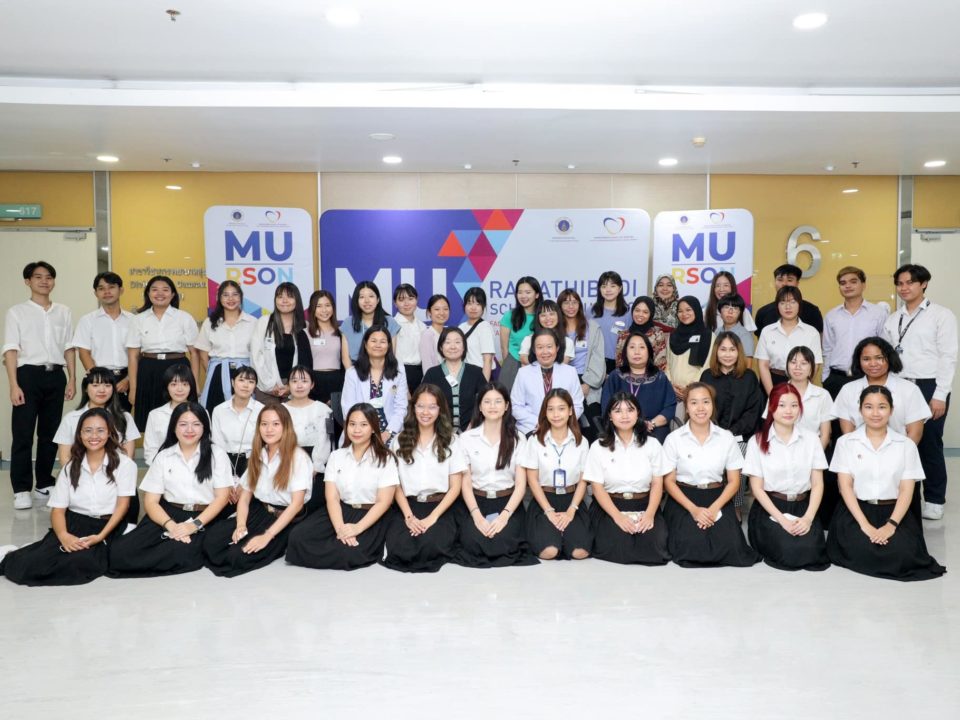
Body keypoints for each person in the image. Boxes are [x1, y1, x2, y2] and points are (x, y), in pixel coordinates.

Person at [0, 409, 137, 586]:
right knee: (32, 566)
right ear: (79, 434)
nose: (94, 436)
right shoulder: (70, 467)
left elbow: (123, 506)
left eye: (100, 430)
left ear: (110, 433)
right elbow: (58, 511)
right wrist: (64, 535)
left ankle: (32, 550)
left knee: (80, 563)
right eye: (88, 430)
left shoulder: (125, 465)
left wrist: (100, 536)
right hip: (75, 522)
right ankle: (12, 555)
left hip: (108, 526)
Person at [827, 385, 946, 581]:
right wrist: (865, 525)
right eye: (868, 407)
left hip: (894, 512)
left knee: (903, 554)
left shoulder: (906, 445)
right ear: (860, 410)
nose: (875, 413)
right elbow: (845, 487)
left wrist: (891, 525)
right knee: (862, 549)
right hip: (856, 511)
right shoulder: (846, 442)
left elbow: (907, 490)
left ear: (891, 410)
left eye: (882, 407)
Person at [108, 402, 232, 578]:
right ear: (174, 427)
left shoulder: (217, 454)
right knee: (119, 552)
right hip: (168, 514)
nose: (189, 430)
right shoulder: (164, 456)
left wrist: (193, 525)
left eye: (196, 424)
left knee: (180, 552)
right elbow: (151, 501)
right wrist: (172, 526)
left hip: (204, 516)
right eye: (183, 424)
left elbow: (222, 498)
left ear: (205, 427)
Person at [883, 264, 958, 521]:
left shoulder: (941, 315)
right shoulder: (893, 319)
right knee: (898, 440)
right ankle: (900, 494)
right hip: (898, 385)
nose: (904, 288)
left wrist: (940, 394)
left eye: (910, 282)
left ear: (923, 284)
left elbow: (948, 356)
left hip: (929, 386)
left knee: (929, 443)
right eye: (900, 283)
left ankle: (935, 499)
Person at [285, 403, 399, 570]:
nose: (357, 430)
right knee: (297, 537)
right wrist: (340, 529)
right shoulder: (336, 456)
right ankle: (337, 541)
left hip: (371, 513)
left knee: (348, 553)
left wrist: (357, 528)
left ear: (374, 429)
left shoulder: (385, 458)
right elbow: (332, 498)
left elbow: (384, 502)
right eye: (352, 424)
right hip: (341, 509)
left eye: (364, 425)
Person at [202, 405, 312, 577]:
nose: (269, 429)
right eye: (264, 424)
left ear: (286, 427)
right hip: (260, 511)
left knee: (238, 556)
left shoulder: (298, 457)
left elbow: (296, 504)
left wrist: (267, 536)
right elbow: (245, 498)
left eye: (275, 424)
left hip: (285, 518)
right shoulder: (259, 453)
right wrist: (240, 525)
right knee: (211, 540)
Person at [661, 383, 761, 568]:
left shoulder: (726, 437)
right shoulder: (674, 439)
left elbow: (734, 481)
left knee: (731, 546)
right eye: (694, 403)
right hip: (684, 498)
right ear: (686, 407)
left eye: (706, 402)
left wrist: (714, 508)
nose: (700, 408)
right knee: (690, 544)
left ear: (713, 405)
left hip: (717, 497)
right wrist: (694, 510)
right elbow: (669, 482)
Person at [3, 261, 75, 509]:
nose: (44, 281)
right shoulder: (16, 312)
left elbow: (68, 347)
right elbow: (10, 350)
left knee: (50, 434)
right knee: (23, 434)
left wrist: (72, 378)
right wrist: (14, 385)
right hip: (27, 376)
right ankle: (21, 489)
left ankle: (44, 483)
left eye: (49, 277)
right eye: (38, 277)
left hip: (56, 376)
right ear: (28, 281)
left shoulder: (63, 311)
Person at [744, 384, 830, 571]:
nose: (788, 411)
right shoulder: (756, 441)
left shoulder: (811, 440)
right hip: (771, 508)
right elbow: (757, 489)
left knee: (811, 550)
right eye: (781, 405)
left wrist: (808, 518)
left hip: (803, 507)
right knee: (788, 550)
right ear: (771, 407)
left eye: (794, 405)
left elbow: (817, 484)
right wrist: (782, 520)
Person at [382, 385, 465, 572]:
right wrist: (409, 516)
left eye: (432, 407)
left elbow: (455, 487)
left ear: (440, 410)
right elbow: (395, 485)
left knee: (430, 545)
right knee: (401, 547)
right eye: (420, 406)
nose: (425, 412)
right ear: (413, 408)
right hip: (408, 506)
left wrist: (432, 518)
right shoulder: (399, 440)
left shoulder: (452, 441)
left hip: (440, 506)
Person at [453, 382, 537, 568]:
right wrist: (476, 516)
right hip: (475, 502)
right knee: (473, 542)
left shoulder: (518, 438)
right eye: (487, 401)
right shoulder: (466, 439)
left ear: (506, 406)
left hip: (507, 502)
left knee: (504, 542)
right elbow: (465, 483)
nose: (492, 406)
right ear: (480, 407)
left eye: (498, 401)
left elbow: (520, 485)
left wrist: (504, 516)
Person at [583, 392, 670, 565]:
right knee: (619, 544)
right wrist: (618, 517)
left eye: (630, 410)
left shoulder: (652, 444)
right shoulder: (598, 446)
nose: (624, 416)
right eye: (618, 411)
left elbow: (657, 483)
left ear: (638, 413)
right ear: (610, 415)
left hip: (644, 504)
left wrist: (650, 514)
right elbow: (597, 488)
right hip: (610, 506)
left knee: (654, 545)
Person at [521, 389, 592, 560]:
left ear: (570, 411)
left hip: (572, 500)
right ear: (545, 412)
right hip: (544, 500)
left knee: (579, 552)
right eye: (550, 409)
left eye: (561, 409)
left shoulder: (581, 442)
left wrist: (572, 510)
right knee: (549, 552)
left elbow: (583, 480)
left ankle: (566, 534)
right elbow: (532, 480)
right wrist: (548, 510)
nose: (556, 414)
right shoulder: (535, 440)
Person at [126, 274, 197, 431]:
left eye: (165, 290)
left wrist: (195, 384)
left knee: (181, 418)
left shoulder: (184, 318)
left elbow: (194, 353)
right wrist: (134, 388)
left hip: (178, 369)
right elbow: (133, 356)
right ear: (148, 294)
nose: (160, 293)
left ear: (172, 294)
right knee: (150, 422)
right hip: (148, 370)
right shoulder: (138, 320)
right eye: (154, 290)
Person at [831, 337, 930, 445]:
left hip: (899, 452)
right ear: (859, 361)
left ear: (889, 358)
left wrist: (900, 454)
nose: (873, 364)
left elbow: (915, 433)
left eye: (879, 358)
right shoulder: (848, 390)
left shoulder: (910, 389)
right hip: (859, 452)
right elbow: (848, 434)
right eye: (866, 359)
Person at [822, 266, 889, 399]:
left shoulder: (878, 314)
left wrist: (882, 378)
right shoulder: (831, 316)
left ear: (863, 285)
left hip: (867, 377)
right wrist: (826, 378)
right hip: (836, 379)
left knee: (868, 412)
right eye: (843, 283)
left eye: (853, 281)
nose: (847, 286)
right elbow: (827, 349)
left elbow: (885, 348)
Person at [70, 271, 134, 411]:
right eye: (101, 288)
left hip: (125, 379)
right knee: (96, 419)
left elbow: (138, 354)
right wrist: (99, 381)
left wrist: (129, 379)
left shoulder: (133, 320)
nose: (107, 292)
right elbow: (84, 353)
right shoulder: (87, 320)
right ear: (96, 293)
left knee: (121, 420)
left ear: (121, 290)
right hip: (97, 378)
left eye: (111, 287)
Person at [55, 367, 139, 468]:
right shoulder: (70, 418)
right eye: (95, 385)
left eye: (107, 385)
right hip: (79, 474)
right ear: (86, 388)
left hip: (116, 472)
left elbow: (129, 455)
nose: (102, 390)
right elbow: (65, 457)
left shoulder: (125, 417)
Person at [601, 330, 675, 443]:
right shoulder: (615, 377)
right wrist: (626, 424)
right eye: (632, 347)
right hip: (621, 426)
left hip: (653, 429)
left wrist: (651, 423)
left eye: (641, 347)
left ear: (649, 352)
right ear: (625, 352)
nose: (637, 352)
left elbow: (670, 407)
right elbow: (606, 407)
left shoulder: (660, 377)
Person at [194, 280, 256, 413]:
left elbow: (257, 352)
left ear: (241, 297)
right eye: (226, 295)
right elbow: (203, 354)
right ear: (219, 298)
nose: (230, 299)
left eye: (235, 294)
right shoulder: (209, 322)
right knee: (216, 413)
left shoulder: (253, 322)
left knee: (246, 413)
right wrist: (216, 372)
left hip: (245, 374)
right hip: (217, 374)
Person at [341, 326, 408, 445]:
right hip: (359, 431)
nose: (378, 345)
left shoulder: (399, 372)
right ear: (365, 344)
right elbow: (348, 407)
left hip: (390, 430)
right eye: (373, 341)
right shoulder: (352, 373)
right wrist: (364, 432)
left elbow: (401, 407)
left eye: (382, 341)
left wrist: (388, 432)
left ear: (389, 346)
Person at [510, 328, 584, 435]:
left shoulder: (570, 372)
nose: (545, 352)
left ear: (557, 348)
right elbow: (516, 405)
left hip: (563, 428)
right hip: (531, 429)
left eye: (549, 347)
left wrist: (560, 422)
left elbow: (577, 405)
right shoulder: (523, 373)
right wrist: (539, 422)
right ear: (534, 350)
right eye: (540, 347)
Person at [699, 332, 765, 448]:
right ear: (716, 351)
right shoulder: (707, 376)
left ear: (739, 352)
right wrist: (717, 433)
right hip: (712, 437)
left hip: (742, 438)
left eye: (732, 350)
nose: (728, 355)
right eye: (723, 349)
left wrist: (731, 432)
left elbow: (753, 412)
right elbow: (702, 409)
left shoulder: (749, 377)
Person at [250, 282, 312, 403]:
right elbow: (255, 356)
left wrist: (291, 386)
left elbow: (307, 361)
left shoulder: (304, 326)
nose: (284, 300)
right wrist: (269, 385)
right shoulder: (264, 322)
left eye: (289, 296)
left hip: (296, 388)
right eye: (280, 297)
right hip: (266, 386)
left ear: (297, 300)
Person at [755, 286, 822, 393]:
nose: (788, 307)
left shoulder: (812, 332)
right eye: (782, 303)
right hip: (772, 381)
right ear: (777, 306)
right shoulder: (767, 331)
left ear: (799, 305)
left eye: (792, 302)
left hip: (801, 382)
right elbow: (763, 365)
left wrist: (802, 389)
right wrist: (772, 394)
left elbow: (815, 364)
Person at [559, 288, 605, 440]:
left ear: (579, 304)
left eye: (574, 302)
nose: (570, 306)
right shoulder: (554, 329)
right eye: (566, 303)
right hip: (563, 379)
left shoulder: (592, 327)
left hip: (587, 379)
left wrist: (587, 384)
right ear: (560, 306)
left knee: (594, 425)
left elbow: (598, 358)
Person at [283, 365, 332, 505]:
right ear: (288, 385)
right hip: (286, 462)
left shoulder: (323, 409)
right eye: (294, 381)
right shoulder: (280, 410)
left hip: (315, 463)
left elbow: (325, 440)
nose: (299, 385)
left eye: (304, 381)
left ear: (312, 384)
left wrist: (316, 467)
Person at [422, 327, 485, 432]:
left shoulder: (475, 372)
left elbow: (485, 400)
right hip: (439, 433)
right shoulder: (432, 374)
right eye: (447, 342)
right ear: (441, 347)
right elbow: (423, 403)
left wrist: (473, 425)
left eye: (457, 342)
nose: (453, 346)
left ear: (464, 347)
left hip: (472, 432)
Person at [211, 365, 264, 481]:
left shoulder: (262, 410)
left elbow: (263, 444)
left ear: (255, 386)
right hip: (225, 461)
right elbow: (217, 444)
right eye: (241, 380)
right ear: (232, 382)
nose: (246, 385)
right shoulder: (219, 410)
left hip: (254, 461)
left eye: (251, 382)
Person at [143, 364, 200, 465]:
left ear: (191, 386)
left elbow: (206, 445)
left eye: (185, 384)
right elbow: (150, 451)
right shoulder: (155, 415)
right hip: (163, 468)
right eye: (174, 384)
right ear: (167, 387)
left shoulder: (201, 412)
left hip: (195, 467)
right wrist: (161, 468)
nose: (179, 389)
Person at [666, 296, 715, 408]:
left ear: (696, 310)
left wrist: (691, 387)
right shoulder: (673, 336)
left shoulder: (708, 336)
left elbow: (708, 365)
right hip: (673, 393)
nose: (684, 314)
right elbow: (667, 364)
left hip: (698, 393)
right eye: (680, 311)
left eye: (688, 310)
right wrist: (671, 385)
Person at [753, 263, 824, 337]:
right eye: (780, 280)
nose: (784, 284)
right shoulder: (763, 313)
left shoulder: (812, 311)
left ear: (797, 283)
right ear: (775, 282)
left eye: (789, 280)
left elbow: (818, 338)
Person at [340, 280, 401, 366]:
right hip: (355, 370)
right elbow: (345, 358)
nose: (367, 301)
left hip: (383, 370)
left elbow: (391, 355)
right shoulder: (348, 323)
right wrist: (352, 374)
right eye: (362, 297)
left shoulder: (389, 322)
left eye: (371, 296)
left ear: (378, 299)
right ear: (356, 301)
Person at [498, 275, 541, 390]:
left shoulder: (543, 316)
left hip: (538, 363)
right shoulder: (509, 316)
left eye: (528, 292)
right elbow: (504, 347)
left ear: (537, 294)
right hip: (513, 362)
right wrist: (509, 365)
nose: (523, 296)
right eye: (520, 292)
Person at [303, 289, 345, 404]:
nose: (324, 310)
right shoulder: (304, 333)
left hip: (338, 385)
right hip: (314, 385)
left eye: (327, 305)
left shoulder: (342, 332)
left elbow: (344, 363)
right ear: (312, 309)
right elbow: (304, 364)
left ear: (333, 307)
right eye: (319, 306)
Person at [614, 296, 668, 372]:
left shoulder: (657, 334)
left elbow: (660, 363)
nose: (640, 314)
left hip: (651, 377)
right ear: (632, 311)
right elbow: (619, 363)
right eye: (637, 310)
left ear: (651, 314)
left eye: (645, 312)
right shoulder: (623, 335)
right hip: (626, 377)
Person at [591, 270, 631, 373]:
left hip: (618, 363)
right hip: (594, 362)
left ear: (620, 288)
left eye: (612, 286)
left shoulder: (628, 313)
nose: (608, 290)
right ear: (599, 289)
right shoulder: (590, 312)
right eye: (604, 286)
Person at [519, 300, 575, 365]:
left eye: (551, 314)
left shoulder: (567, 342)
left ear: (558, 316)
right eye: (543, 315)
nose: (548, 318)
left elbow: (563, 364)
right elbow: (523, 360)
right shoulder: (528, 339)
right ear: (538, 318)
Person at [458, 286, 496, 381]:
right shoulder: (461, 327)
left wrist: (483, 386)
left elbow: (488, 360)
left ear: (483, 306)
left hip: (480, 374)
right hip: (464, 374)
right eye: (469, 303)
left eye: (478, 304)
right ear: (464, 305)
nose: (473, 307)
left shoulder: (484, 327)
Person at [393, 283, 425, 391]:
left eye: (411, 299)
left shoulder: (422, 326)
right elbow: (392, 356)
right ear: (395, 303)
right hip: (400, 372)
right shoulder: (393, 325)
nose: (406, 303)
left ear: (417, 300)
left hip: (421, 373)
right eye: (401, 300)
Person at [714, 294, 755, 359]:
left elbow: (748, 363)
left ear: (740, 313)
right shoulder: (717, 331)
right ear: (720, 312)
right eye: (726, 307)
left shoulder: (744, 335)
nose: (730, 312)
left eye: (735, 308)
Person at [419, 293, 450, 373]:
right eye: (437, 309)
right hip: (435, 379)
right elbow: (427, 367)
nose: (442, 313)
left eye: (445, 309)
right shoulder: (427, 335)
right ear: (429, 312)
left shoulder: (450, 334)